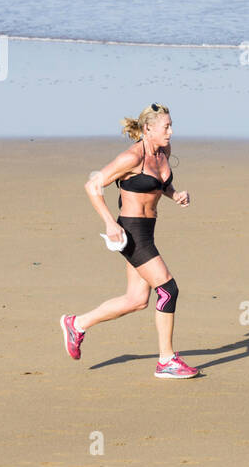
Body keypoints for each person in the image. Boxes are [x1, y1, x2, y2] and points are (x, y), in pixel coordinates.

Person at [60, 103, 198, 378]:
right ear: (148, 129)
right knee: (168, 289)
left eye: (171, 125)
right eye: (166, 127)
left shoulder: (163, 152)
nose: (171, 131)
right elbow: (93, 185)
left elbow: (159, 183)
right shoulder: (131, 157)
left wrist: (174, 195)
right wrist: (110, 223)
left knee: (136, 300)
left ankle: (77, 324)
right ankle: (166, 360)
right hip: (131, 233)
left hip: (148, 230)